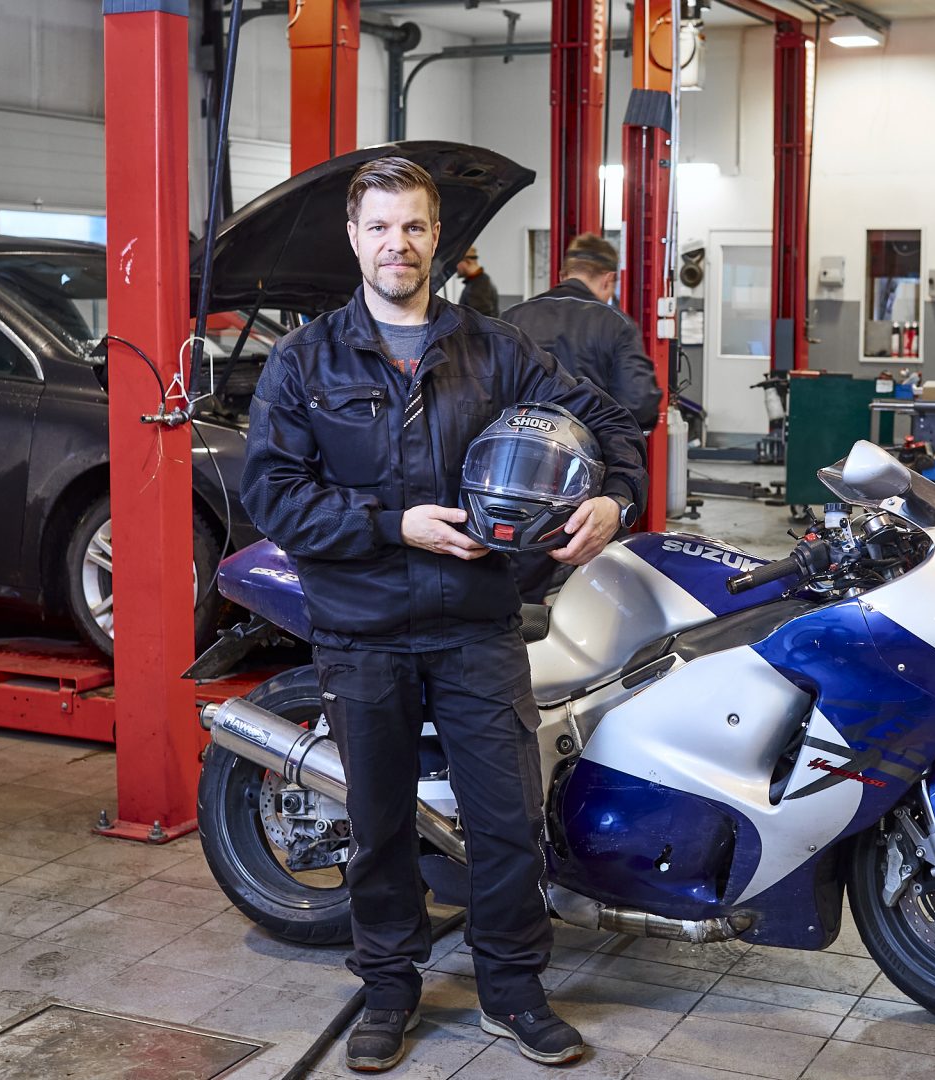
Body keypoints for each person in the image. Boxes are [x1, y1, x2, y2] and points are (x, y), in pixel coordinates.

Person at [242, 156, 646, 1073]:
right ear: (356, 238)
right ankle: (387, 990)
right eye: (380, 227)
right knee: (379, 823)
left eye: (415, 226)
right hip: (363, 629)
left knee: (505, 819)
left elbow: (611, 422)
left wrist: (614, 498)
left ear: (439, 239)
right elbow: (274, 493)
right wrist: (396, 525)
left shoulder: (496, 350)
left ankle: (513, 992)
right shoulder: (305, 361)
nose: (399, 244)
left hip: (474, 623)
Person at [502, 233, 662, 601]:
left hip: (516, 484)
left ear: (563, 272)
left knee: (515, 600)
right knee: (597, 593)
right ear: (608, 279)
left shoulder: (510, 319)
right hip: (589, 490)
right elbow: (639, 404)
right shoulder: (615, 323)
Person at [455, 246, 499, 318]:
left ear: (467, 261)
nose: (456, 267)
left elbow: (481, 322)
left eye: (457, 263)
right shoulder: (479, 281)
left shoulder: (478, 286)